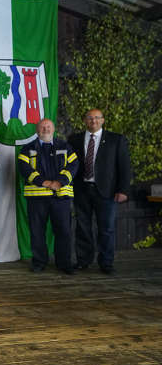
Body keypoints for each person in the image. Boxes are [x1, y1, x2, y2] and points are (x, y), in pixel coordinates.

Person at [69, 109, 131, 275]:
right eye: (90, 118)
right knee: (82, 227)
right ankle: (83, 260)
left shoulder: (116, 139)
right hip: (81, 189)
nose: (93, 121)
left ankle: (106, 263)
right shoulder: (74, 139)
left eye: (97, 118)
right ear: (85, 120)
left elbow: (124, 167)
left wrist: (123, 190)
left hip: (107, 191)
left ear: (103, 120)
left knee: (106, 228)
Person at [18, 118, 78, 274]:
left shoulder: (65, 147)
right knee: (37, 231)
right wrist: (43, 182)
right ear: (37, 130)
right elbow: (25, 169)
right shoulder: (28, 149)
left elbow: (73, 166)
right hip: (37, 197)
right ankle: (39, 262)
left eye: (48, 127)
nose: (45, 129)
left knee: (64, 231)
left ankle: (64, 263)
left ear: (54, 129)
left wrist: (60, 181)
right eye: (43, 127)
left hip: (61, 196)